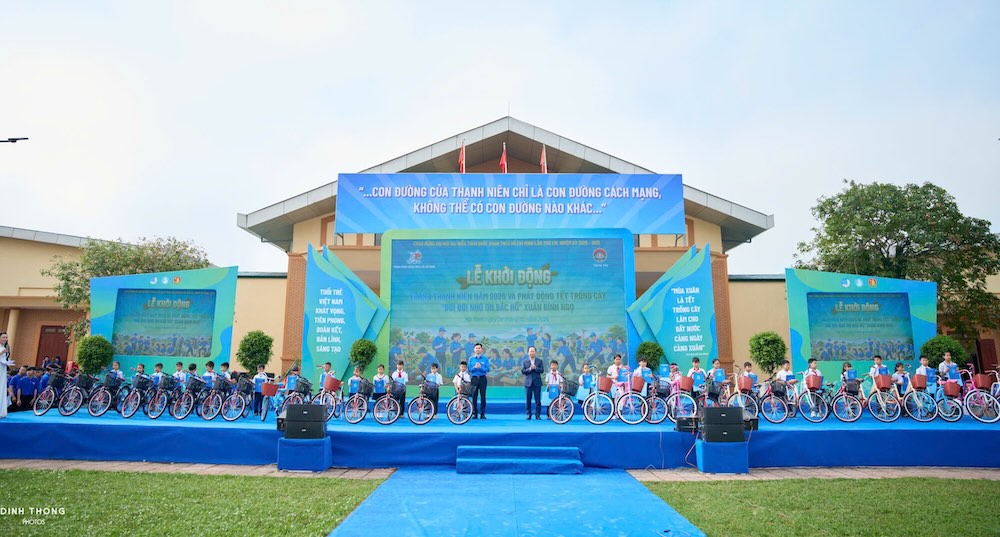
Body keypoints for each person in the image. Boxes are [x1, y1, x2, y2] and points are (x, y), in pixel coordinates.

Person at [468, 343, 490, 419]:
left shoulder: (485, 358)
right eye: (476, 348)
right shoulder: (471, 359)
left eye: (479, 348)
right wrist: (474, 367)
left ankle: (482, 414)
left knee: (483, 396)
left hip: (483, 379)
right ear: (474, 349)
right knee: (474, 396)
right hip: (474, 379)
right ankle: (474, 413)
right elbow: (469, 369)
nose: (478, 349)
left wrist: (481, 367)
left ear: (481, 349)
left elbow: (487, 369)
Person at [521, 346, 543, 420]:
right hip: (528, 383)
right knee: (528, 399)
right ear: (528, 353)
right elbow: (523, 371)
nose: (532, 353)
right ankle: (528, 414)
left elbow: (542, 370)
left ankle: (538, 415)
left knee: (538, 400)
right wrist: (530, 369)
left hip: (537, 383)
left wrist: (535, 368)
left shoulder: (539, 361)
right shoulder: (525, 361)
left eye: (533, 351)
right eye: (530, 351)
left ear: (535, 352)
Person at [0, 332, 14, 418]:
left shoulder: (4, 347)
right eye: (3, 337)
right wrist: (2, 352)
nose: (5, 339)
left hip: (3, 368)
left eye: (6, 337)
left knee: (2, 387)